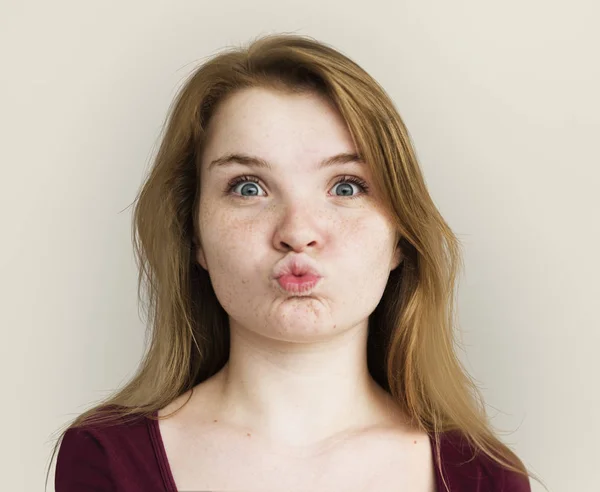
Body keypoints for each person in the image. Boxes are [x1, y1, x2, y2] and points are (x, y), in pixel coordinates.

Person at [48, 33, 538, 492]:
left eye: (346, 187)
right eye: (248, 188)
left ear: (399, 239)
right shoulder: (103, 461)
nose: (298, 232)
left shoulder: (484, 478)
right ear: (193, 234)